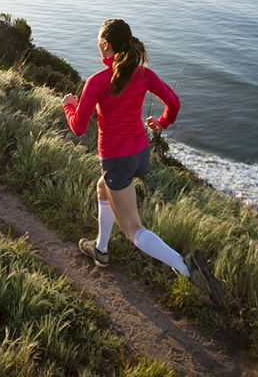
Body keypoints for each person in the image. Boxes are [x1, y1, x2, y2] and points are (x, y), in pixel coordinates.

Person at [62, 18, 223, 303]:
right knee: (103, 189)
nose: (98, 44)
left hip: (118, 159)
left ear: (106, 45)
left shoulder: (98, 82)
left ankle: (188, 269)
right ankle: (100, 249)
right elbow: (173, 102)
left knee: (132, 229)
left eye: (99, 40)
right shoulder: (144, 74)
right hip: (140, 153)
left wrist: (68, 105)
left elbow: (77, 128)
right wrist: (161, 123)